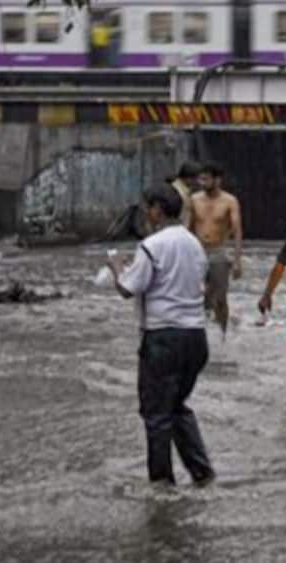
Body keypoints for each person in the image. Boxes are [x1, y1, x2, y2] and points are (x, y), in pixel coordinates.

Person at [107, 185, 214, 487]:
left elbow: (128, 289)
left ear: (157, 209)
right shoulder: (194, 244)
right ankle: (202, 473)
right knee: (177, 405)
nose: (145, 214)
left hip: (163, 337)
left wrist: (117, 267)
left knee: (156, 414)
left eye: (147, 208)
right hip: (195, 336)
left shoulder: (151, 245)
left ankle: (162, 484)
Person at [191, 164, 242, 338]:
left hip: (219, 252)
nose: (201, 183)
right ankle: (201, 333)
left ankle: (223, 335)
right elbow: (186, 228)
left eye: (205, 179)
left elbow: (237, 230)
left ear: (217, 180)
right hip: (197, 252)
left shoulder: (229, 201)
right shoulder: (194, 200)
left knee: (220, 299)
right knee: (198, 296)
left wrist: (237, 261)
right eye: (200, 179)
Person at [171, 162, 201, 229]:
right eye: (196, 179)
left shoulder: (186, 191)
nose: (198, 182)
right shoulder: (175, 192)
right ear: (188, 178)